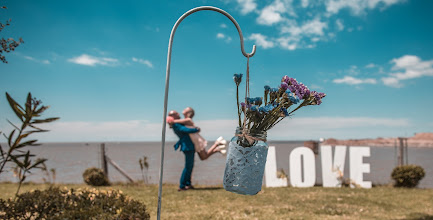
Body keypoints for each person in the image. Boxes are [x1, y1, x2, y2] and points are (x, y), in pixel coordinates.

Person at [168, 108, 226, 191]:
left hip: (190, 145)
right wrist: (196, 129)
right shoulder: (176, 124)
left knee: (190, 166)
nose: (178, 114)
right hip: (187, 146)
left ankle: (188, 184)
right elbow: (185, 130)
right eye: (176, 114)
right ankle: (182, 185)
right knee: (188, 166)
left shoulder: (179, 122)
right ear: (173, 116)